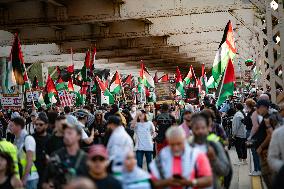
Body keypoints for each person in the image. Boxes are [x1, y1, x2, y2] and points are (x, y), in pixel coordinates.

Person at [42, 118, 88, 189]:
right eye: (65, 133)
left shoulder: (86, 159)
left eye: (69, 133)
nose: (66, 136)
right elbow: (44, 182)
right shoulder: (55, 156)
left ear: (78, 136)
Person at [190, 113, 230, 189]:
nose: (200, 131)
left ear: (209, 128)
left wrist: (213, 158)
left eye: (203, 128)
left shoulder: (215, 145)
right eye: (197, 128)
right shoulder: (187, 147)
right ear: (192, 129)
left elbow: (225, 170)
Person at [10, 117, 39, 189]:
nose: (10, 127)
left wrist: (23, 180)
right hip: (20, 176)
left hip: (29, 178)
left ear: (18, 126)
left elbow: (29, 160)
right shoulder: (16, 139)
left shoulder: (28, 139)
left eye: (12, 125)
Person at [252, 99, 274, 188]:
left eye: (258, 108)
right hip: (264, 151)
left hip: (266, 152)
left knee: (268, 175)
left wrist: (261, 147)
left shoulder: (268, 118)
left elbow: (270, 135)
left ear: (265, 107)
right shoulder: (265, 117)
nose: (257, 110)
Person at [32, 112, 51, 188]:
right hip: (33, 173)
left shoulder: (50, 139)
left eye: (41, 124)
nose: (38, 126)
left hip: (47, 173)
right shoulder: (31, 138)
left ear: (46, 125)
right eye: (36, 124)